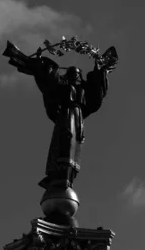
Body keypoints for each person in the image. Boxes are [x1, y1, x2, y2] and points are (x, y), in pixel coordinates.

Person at [17, 56, 113, 190]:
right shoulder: (62, 87)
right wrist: (40, 64)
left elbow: (96, 93)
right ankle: (58, 175)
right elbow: (49, 82)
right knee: (64, 142)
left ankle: (68, 177)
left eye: (78, 75)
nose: (76, 77)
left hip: (77, 117)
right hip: (66, 116)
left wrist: (99, 70)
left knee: (74, 144)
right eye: (73, 74)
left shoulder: (84, 90)